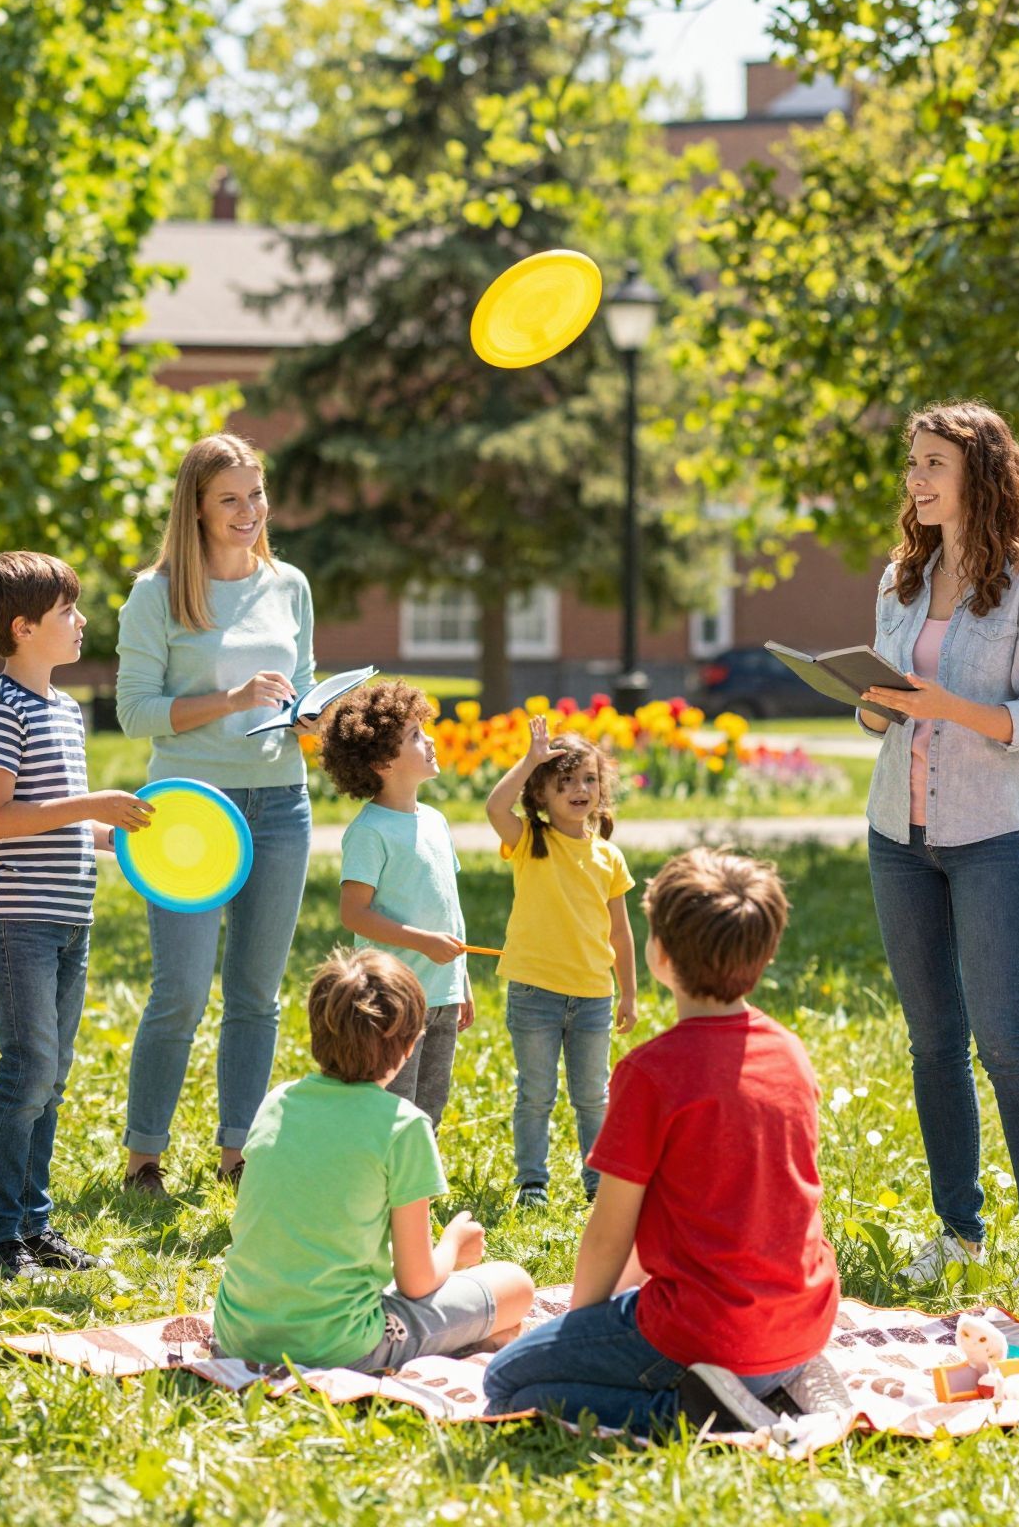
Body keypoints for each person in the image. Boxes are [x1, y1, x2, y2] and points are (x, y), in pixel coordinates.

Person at [482, 848, 839, 1434]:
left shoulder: (652, 1073)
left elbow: (609, 1231)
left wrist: (580, 1330)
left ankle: (700, 1413)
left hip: (710, 1331)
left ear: (659, 955)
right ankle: (774, 1385)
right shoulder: (791, 1055)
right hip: (804, 1320)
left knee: (509, 1384)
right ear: (768, 953)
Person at [855, 402, 1019, 1298]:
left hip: (991, 837)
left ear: (981, 473)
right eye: (913, 463)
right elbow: (881, 700)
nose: (916, 479)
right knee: (933, 1041)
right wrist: (871, 702)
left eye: (934, 463)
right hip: (897, 835)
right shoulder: (902, 577)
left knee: (1005, 1039)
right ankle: (958, 1231)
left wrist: (944, 706)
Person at [114, 435, 317, 1195]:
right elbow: (135, 714)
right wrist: (230, 702)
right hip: (187, 811)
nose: (248, 512)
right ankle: (144, 1156)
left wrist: (309, 719)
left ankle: (239, 1152)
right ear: (196, 507)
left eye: (256, 496)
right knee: (182, 991)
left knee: (257, 994)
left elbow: (301, 684)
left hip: (280, 804)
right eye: (230, 499)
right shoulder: (155, 595)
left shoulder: (288, 584)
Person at [0, 552, 154, 1279]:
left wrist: (110, 836)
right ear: (24, 627)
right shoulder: (1, 710)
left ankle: (33, 1225)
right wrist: (91, 805)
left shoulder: (64, 710)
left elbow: (53, 822)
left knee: (54, 1073)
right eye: (68, 612)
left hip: (71, 915)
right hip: (19, 923)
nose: (82, 622)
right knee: (27, 1069)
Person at [212, 949, 535, 1370]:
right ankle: (463, 1341)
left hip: (238, 1333)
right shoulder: (404, 1126)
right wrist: (453, 1246)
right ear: (406, 1045)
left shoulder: (277, 1101)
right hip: (338, 1345)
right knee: (516, 1285)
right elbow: (416, 1282)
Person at [484, 716, 637, 1208]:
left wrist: (629, 992)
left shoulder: (609, 857)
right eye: (564, 781)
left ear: (601, 790)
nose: (579, 789)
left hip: (594, 996)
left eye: (589, 779)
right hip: (534, 993)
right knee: (536, 1094)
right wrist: (530, 759)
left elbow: (620, 931)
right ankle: (533, 1182)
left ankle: (597, 1183)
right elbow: (493, 806)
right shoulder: (531, 840)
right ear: (541, 795)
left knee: (593, 1096)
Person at [322, 680, 473, 1131]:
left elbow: (451, 904)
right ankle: (381, 1195)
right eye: (414, 736)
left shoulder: (436, 821)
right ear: (382, 762)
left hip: (441, 994)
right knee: (393, 1109)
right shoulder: (370, 832)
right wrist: (422, 942)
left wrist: (460, 981)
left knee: (430, 1109)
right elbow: (354, 914)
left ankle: (413, 1196)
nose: (428, 741)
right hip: (393, 1001)